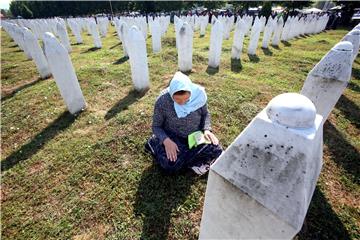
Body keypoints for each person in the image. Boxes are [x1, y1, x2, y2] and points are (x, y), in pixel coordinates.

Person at [145, 72, 223, 175]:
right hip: (173, 137)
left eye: (186, 99)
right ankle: (154, 143)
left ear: (191, 91)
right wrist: (166, 141)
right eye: (177, 99)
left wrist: (206, 129)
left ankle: (183, 158)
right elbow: (156, 126)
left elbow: (205, 114)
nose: (182, 103)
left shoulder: (199, 95)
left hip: (195, 136)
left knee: (217, 150)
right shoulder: (162, 101)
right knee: (170, 165)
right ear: (171, 94)